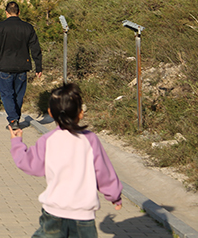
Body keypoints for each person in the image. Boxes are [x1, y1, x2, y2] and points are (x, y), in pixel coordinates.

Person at [10, 83, 122, 238]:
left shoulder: (48, 140)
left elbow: (30, 164)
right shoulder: (90, 140)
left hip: (54, 211)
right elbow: (103, 172)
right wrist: (114, 195)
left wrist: (17, 143)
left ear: (50, 112)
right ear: (81, 113)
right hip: (84, 215)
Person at [0, 1, 42, 130]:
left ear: (6, 12)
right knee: (18, 94)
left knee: (7, 94)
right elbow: (35, 48)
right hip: (22, 66)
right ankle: (15, 118)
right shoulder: (28, 27)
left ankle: (13, 119)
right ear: (19, 12)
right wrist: (38, 67)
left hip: (5, 66)